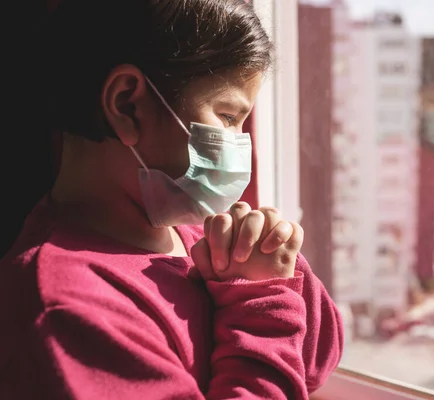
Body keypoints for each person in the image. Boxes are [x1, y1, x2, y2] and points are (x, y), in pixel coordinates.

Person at [0, 0, 343, 398]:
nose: (242, 146)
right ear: (127, 105)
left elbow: (316, 360)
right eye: (228, 116)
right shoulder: (66, 311)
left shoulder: (192, 231)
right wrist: (262, 301)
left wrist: (275, 260)